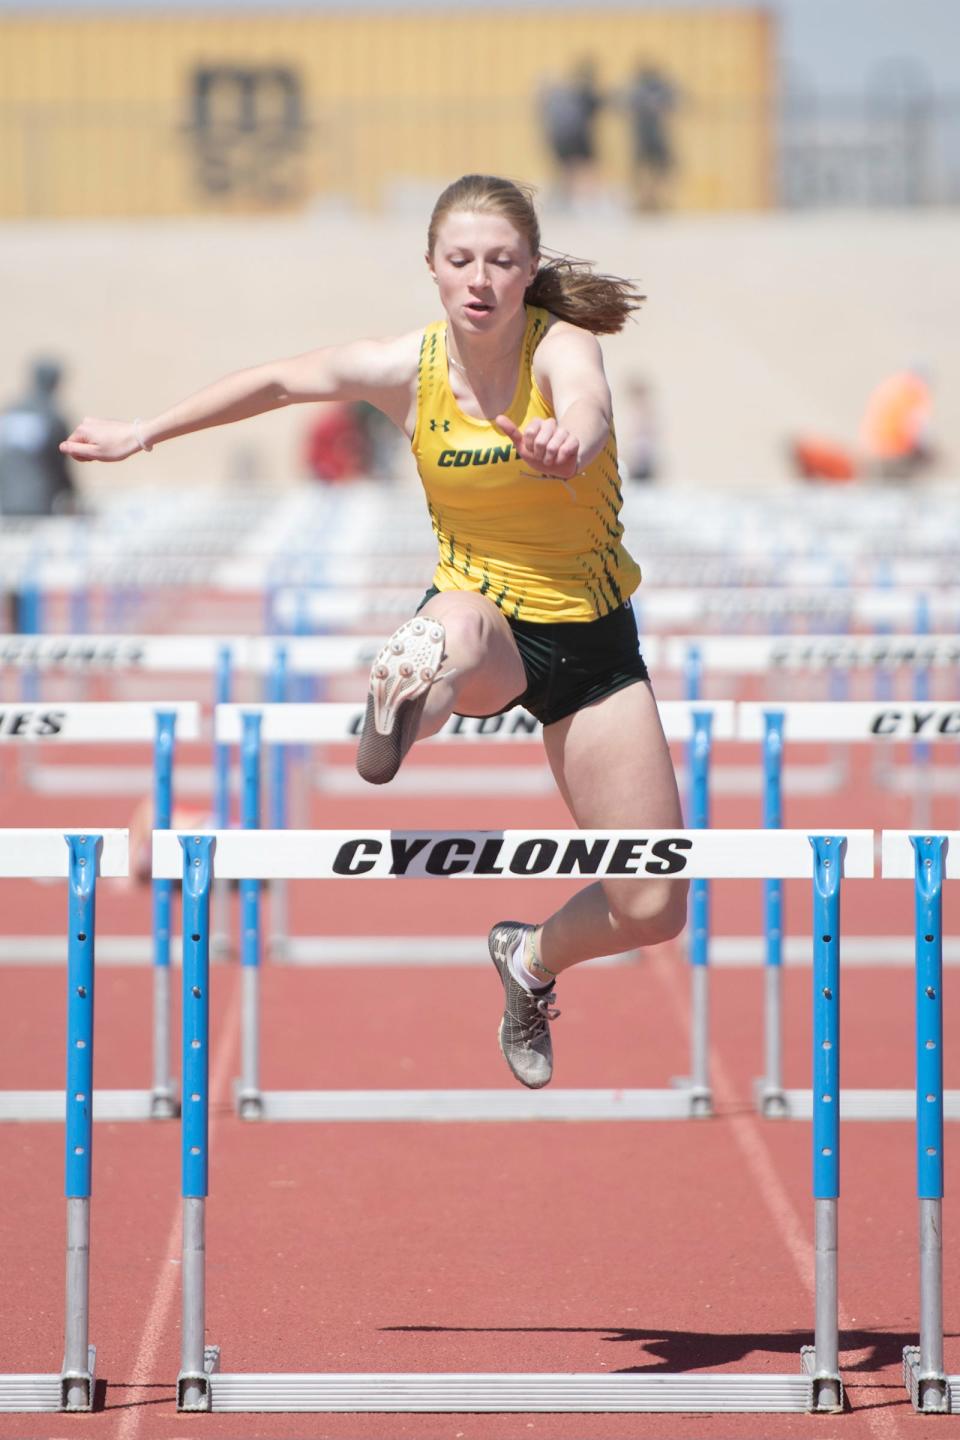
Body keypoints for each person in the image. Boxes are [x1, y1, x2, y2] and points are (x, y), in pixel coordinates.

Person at [60, 173, 688, 1090]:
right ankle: (409, 689)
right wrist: (143, 432)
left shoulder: (563, 349)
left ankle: (527, 959)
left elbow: (588, 407)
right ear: (432, 268)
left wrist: (570, 442)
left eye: (501, 262)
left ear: (529, 271)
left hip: (595, 648)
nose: (480, 278)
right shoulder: (409, 368)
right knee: (459, 626)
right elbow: (278, 380)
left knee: (652, 902)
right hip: (484, 622)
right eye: (461, 260)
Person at [0, 357, 77, 516]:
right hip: (40, 503)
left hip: (6, 503)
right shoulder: (52, 416)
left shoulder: (10, 413)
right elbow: (61, 462)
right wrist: (73, 495)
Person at [537, 60, 604, 209]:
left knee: (570, 169)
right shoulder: (581, 91)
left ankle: (572, 200)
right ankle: (586, 200)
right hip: (577, 135)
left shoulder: (561, 93)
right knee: (585, 168)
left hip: (560, 137)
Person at [621, 62, 679, 214]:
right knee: (649, 170)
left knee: (650, 170)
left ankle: (652, 199)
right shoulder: (657, 90)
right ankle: (648, 200)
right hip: (649, 136)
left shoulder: (638, 90)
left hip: (647, 136)